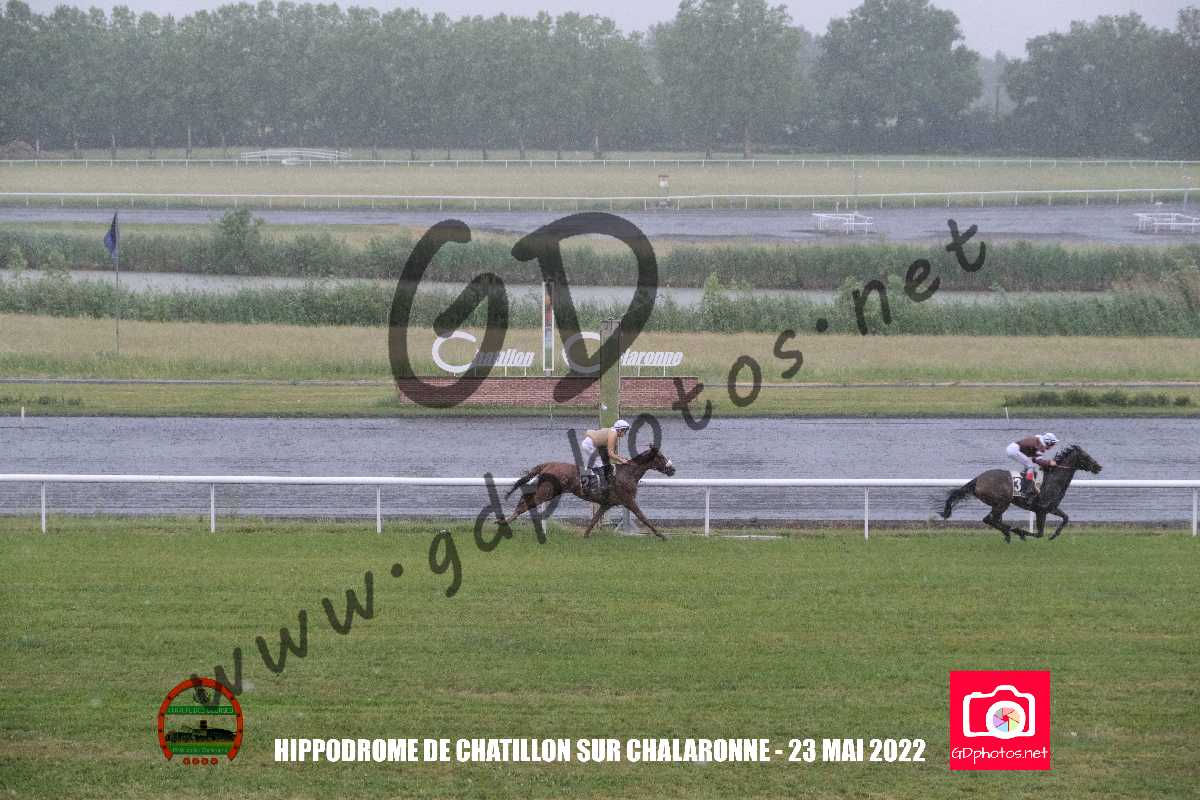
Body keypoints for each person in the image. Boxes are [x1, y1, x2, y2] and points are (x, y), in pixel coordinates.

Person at [580, 419, 631, 491]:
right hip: (589, 445)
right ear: (620, 430)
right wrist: (622, 460)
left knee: (597, 464)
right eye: (625, 431)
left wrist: (622, 458)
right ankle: (601, 485)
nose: (625, 433)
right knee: (600, 464)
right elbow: (611, 454)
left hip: (590, 443)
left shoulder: (613, 432)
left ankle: (590, 481)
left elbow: (613, 453)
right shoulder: (613, 434)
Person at [1006, 432, 1059, 500]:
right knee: (1031, 466)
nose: (1053, 446)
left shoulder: (1039, 438)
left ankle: (1025, 478)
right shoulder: (1041, 446)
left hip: (1013, 447)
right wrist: (1049, 463)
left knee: (1029, 464)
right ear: (1048, 443)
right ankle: (1027, 487)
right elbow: (1037, 460)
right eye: (1053, 444)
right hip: (1014, 451)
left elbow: (1034, 458)